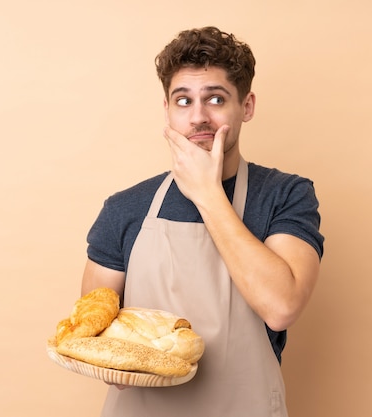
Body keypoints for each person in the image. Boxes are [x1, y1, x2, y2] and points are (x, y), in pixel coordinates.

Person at [80, 26, 324, 417]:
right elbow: (94, 331)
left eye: (215, 98)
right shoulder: (124, 208)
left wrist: (207, 194)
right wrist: (110, 360)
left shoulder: (285, 194)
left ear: (246, 106)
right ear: (167, 110)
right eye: (183, 100)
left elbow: (281, 306)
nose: (198, 117)